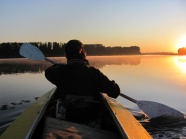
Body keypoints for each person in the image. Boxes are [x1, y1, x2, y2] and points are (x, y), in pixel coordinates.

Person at [45, 39, 120, 123]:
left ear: (66, 55)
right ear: (84, 54)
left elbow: (48, 72)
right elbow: (115, 92)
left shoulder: (60, 72)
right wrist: (112, 83)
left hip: (69, 112)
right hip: (89, 114)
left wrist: (58, 66)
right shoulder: (94, 73)